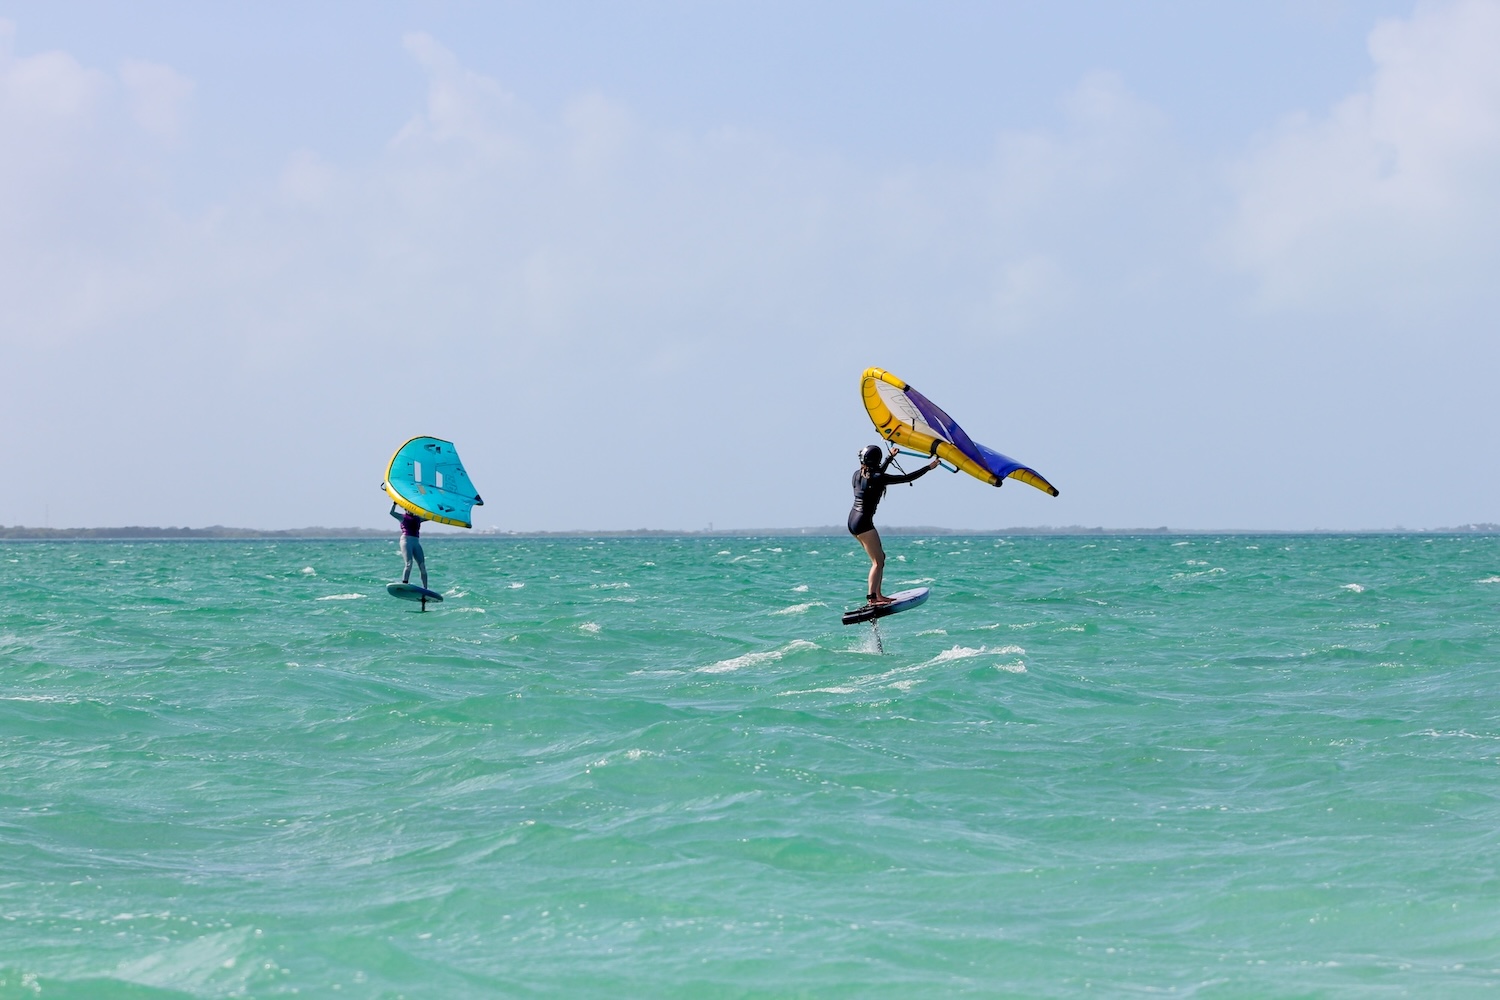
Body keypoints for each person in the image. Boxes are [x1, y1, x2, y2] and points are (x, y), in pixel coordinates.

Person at [848, 444, 939, 606]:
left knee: (880, 558)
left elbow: (876, 475)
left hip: (853, 521)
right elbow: (907, 478)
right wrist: (928, 467)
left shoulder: (857, 475)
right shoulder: (878, 477)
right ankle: (872, 599)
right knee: (877, 562)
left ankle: (878, 595)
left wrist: (890, 458)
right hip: (864, 524)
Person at [390, 503, 429, 590]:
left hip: (416, 542)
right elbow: (391, 512)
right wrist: (394, 504)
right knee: (409, 563)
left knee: (422, 565)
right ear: (406, 509)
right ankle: (405, 583)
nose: (410, 510)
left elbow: (430, 516)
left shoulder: (418, 518)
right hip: (406, 541)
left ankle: (425, 588)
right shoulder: (402, 517)